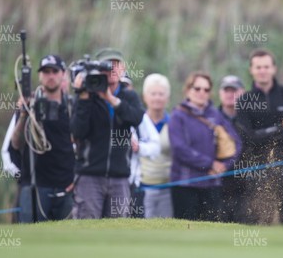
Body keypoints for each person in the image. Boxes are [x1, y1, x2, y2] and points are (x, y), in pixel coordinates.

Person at [70, 48, 145, 219]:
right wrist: (83, 98)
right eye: (106, 65)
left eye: (115, 65)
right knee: (87, 229)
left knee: (118, 233)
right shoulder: (87, 97)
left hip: (120, 177)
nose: (111, 69)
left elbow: (135, 118)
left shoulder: (129, 96)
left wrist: (112, 100)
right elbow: (77, 131)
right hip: (90, 176)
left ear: (123, 69)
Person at [235, 48, 283, 224]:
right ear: (251, 70)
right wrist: (279, 129)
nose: (262, 71)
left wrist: (261, 134)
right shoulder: (244, 100)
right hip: (257, 165)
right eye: (258, 67)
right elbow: (247, 137)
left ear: (273, 69)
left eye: (266, 66)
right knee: (258, 216)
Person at [168, 71, 242, 221]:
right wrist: (209, 164)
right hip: (184, 185)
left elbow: (236, 144)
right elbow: (179, 148)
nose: (201, 92)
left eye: (206, 89)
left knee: (212, 233)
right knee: (186, 232)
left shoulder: (215, 115)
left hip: (211, 184)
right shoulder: (177, 116)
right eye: (197, 88)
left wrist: (223, 166)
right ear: (188, 90)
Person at [10, 54, 75, 222]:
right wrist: (24, 114)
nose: (51, 76)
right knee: (31, 240)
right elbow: (16, 144)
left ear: (63, 74)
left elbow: (84, 145)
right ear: (39, 76)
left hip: (66, 187)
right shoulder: (28, 105)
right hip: (35, 186)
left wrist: (78, 178)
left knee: (68, 242)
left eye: (55, 71)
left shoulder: (72, 107)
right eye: (46, 72)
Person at [129, 73, 169, 219]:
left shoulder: (173, 123)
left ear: (167, 98)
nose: (157, 98)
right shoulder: (138, 119)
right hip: (140, 186)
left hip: (167, 187)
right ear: (145, 97)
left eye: (161, 94)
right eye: (153, 93)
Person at [217, 75, 245, 223]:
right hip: (218, 186)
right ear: (220, 93)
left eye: (233, 90)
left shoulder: (250, 119)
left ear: (242, 93)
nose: (229, 94)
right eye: (226, 90)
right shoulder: (211, 119)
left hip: (246, 187)